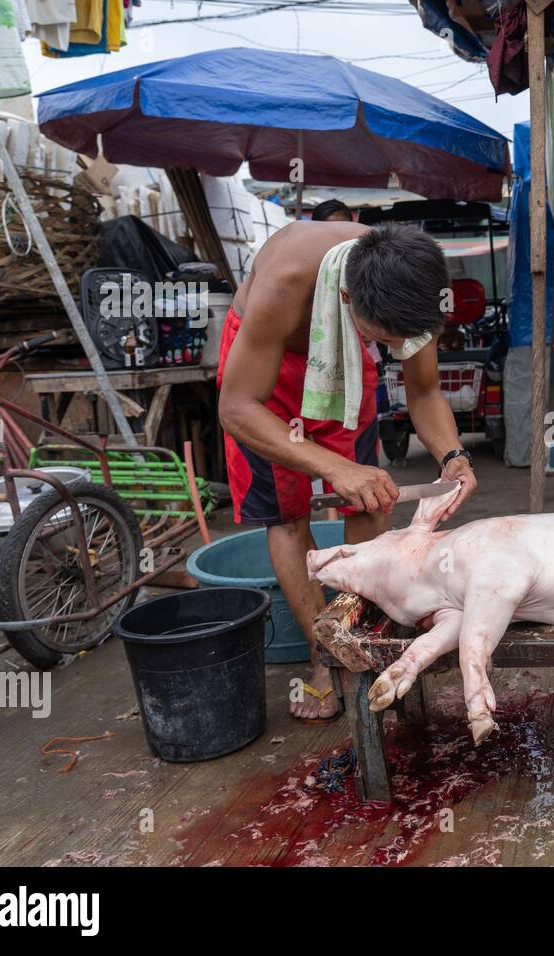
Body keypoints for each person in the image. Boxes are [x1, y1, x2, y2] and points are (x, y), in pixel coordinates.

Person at [218, 221, 477, 719]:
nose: (395, 346)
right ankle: (324, 660)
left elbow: (423, 392)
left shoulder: (409, 287)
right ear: (346, 297)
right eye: (383, 338)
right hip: (265, 373)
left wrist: (452, 456)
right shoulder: (288, 279)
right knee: (287, 513)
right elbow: (236, 407)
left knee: (369, 495)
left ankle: (361, 637)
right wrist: (335, 466)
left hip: (340, 363)